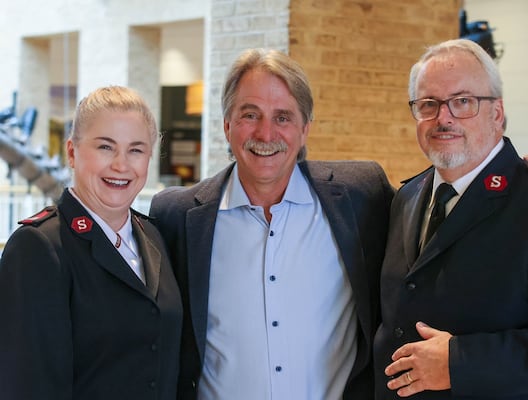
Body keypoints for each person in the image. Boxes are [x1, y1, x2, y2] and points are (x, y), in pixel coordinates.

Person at [149, 48, 395, 400]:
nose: (266, 134)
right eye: (251, 114)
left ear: (305, 129)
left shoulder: (363, 196)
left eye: (283, 117)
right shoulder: (176, 215)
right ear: (227, 125)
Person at [373, 38, 528, 399]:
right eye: (428, 104)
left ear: (497, 112)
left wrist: (462, 362)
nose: (443, 117)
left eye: (463, 101)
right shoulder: (408, 196)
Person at [0, 86, 183, 400]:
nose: (121, 165)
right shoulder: (38, 247)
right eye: (105, 147)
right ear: (72, 152)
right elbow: (25, 386)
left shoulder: (153, 236)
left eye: (136, 150)